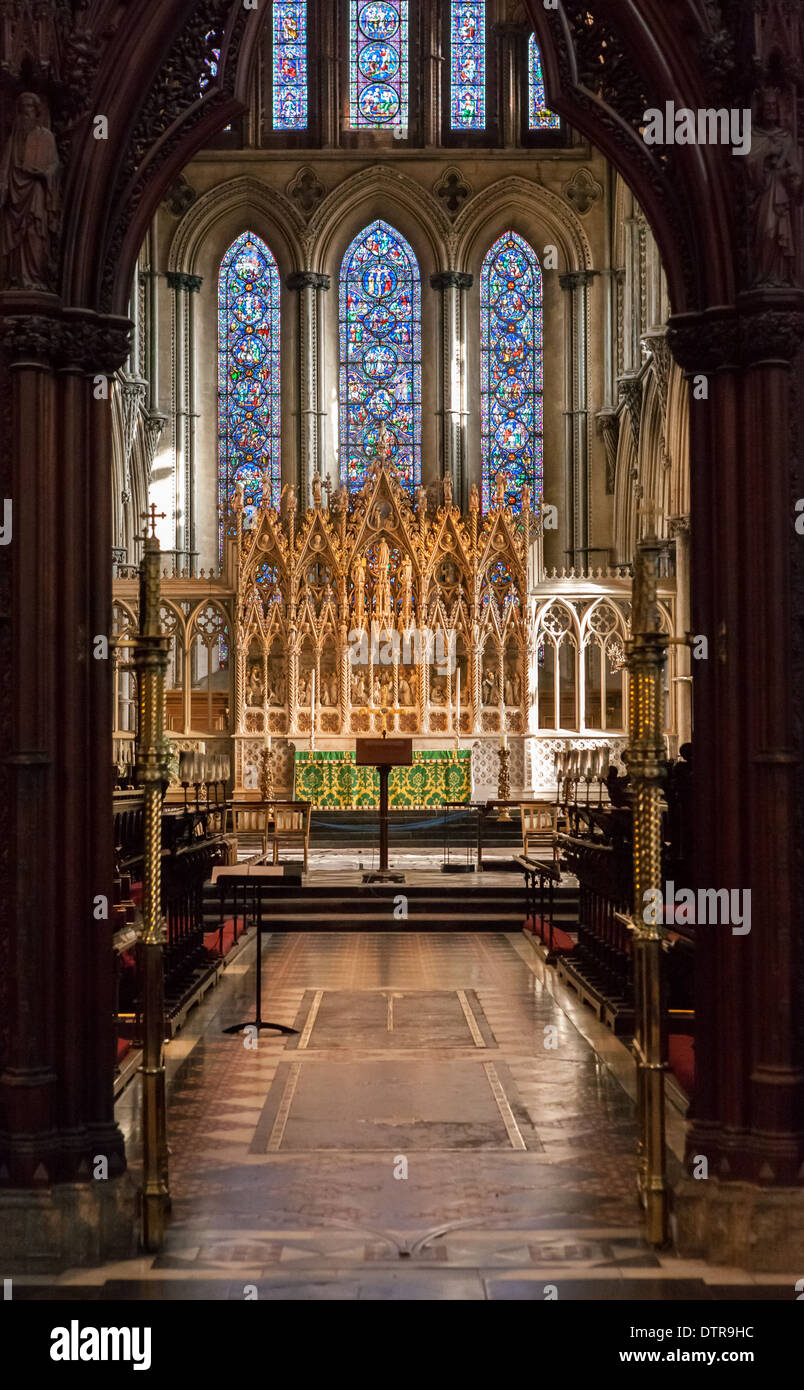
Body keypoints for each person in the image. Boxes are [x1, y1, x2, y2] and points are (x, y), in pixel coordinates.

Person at [0, 92, 60, 289]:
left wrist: (44, 174)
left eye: (30, 107)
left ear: (36, 111)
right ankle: (16, 278)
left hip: (36, 192)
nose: (26, 111)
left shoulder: (46, 137)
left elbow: (54, 166)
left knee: (35, 234)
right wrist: (4, 189)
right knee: (15, 241)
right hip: (15, 199)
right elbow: (5, 169)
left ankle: (34, 277)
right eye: (23, 107)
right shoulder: (13, 139)